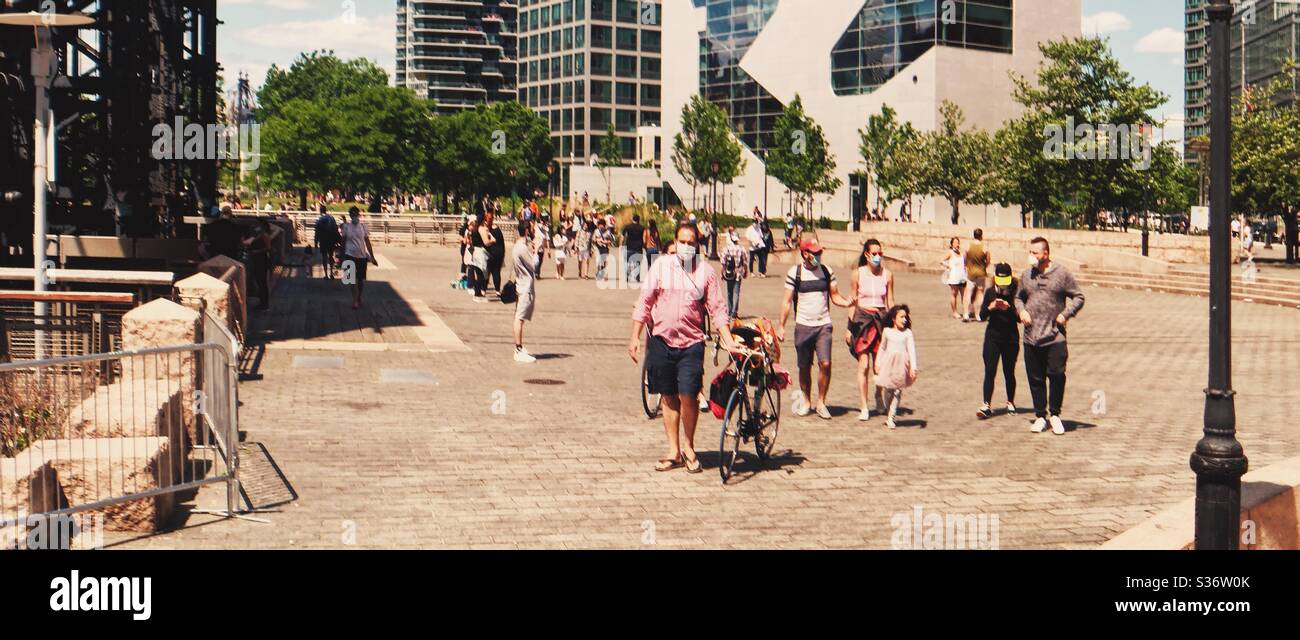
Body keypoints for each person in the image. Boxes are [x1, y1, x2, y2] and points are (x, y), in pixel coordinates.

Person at [629, 222, 749, 473]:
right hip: (661, 341)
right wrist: (635, 336)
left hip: (691, 343)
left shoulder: (706, 272)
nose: (685, 247)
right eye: (681, 242)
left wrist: (727, 339)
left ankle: (689, 446)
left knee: (689, 394)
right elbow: (645, 301)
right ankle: (673, 450)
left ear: (698, 245)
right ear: (674, 242)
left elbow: (717, 311)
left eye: (690, 243)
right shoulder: (661, 266)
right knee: (668, 395)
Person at [778, 237, 854, 420]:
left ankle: (821, 402)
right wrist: (781, 326)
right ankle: (806, 401)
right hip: (803, 325)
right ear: (805, 254)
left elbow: (835, 296)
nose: (819, 255)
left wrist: (847, 302)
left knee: (825, 363)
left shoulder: (827, 271)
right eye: (815, 252)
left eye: (820, 252)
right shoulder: (795, 273)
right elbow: (787, 301)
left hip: (823, 325)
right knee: (804, 367)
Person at [1016, 237, 1085, 435]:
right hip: (1031, 337)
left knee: (1056, 375)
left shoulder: (1061, 274)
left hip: (1055, 337)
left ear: (1046, 254)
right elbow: (1018, 297)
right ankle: (1040, 416)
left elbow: (1079, 296)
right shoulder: (1026, 275)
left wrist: (1065, 314)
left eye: (1035, 253)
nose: (1032, 257)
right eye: (1030, 252)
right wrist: (1021, 311)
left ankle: (1055, 415)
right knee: (1035, 378)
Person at [847, 239, 894, 421]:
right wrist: (849, 329)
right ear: (866, 254)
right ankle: (864, 406)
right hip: (862, 321)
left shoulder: (887, 275)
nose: (877, 257)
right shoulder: (857, 274)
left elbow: (890, 301)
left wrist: (894, 324)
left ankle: (878, 395)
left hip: (880, 320)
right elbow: (853, 301)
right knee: (864, 365)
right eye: (874, 253)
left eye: (879, 253)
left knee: (879, 365)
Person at [977, 263, 1020, 420]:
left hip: (1010, 338)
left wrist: (1009, 308)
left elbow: (1020, 318)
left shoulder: (1016, 293)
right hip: (992, 337)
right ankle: (986, 404)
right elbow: (981, 316)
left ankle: (1010, 401)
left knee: (1009, 371)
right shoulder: (989, 292)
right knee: (990, 370)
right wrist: (991, 307)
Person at [874, 305, 918, 430]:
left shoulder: (908, 333)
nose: (904, 320)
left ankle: (891, 417)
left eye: (906, 317)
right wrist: (878, 363)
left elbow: (911, 350)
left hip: (902, 365)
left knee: (897, 391)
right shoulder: (887, 331)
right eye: (901, 317)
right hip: (888, 364)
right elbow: (882, 348)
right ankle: (888, 409)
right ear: (894, 318)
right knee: (888, 390)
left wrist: (913, 367)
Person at [341, 207, 380, 310]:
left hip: (362, 255)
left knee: (361, 279)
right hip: (349, 254)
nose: (354, 216)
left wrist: (372, 256)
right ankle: (354, 300)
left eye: (355, 214)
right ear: (350, 215)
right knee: (351, 278)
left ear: (358, 214)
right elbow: (343, 242)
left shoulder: (363, 227)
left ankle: (359, 297)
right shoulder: (346, 227)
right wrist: (341, 256)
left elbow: (367, 242)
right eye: (352, 214)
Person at [513, 218, 540, 363]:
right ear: (527, 230)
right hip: (524, 287)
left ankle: (519, 348)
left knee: (520, 317)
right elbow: (534, 264)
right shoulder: (522, 248)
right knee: (520, 318)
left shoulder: (519, 246)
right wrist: (536, 250)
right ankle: (518, 348)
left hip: (521, 285)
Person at [243, 220, 274, 311]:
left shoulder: (264, 235)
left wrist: (256, 251)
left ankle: (264, 304)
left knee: (262, 282)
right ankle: (262, 302)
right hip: (257, 259)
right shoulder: (258, 235)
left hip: (262, 259)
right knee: (259, 281)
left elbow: (268, 248)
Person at [720, 227, 749, 318]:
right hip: (738, 272)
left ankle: (730, 310)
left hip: (729, 273)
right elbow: (745, 262)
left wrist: (722, 273)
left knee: (729, 292)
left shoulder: (726, 249)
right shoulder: (741, 249)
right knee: (736, 292)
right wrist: (745, 271)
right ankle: (734, 312)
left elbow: (723, 263)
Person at [964, 228, 991, 322]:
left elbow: (965, 258)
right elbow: (988, 260)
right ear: (981, 236)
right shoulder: (984, 247)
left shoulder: (968, 246)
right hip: (981, 272)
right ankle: (978, 314)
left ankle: (966, 314)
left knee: (968, 292)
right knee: (980, 293)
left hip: (971, 272)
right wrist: (984, 266)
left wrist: (966, 266)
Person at [940, 237, 968, 320]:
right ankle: (954, 312)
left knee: (964, 295)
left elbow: (964, 264)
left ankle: (965, 312)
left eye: (958, 242)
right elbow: (941, 260)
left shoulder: (961, 253)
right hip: (954, 277)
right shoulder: (950, 253)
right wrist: (948, 266)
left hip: (962, 277)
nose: (957, 244)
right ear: (951, 244)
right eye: (955, 243)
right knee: (954, 294)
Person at [314, 206, 340, 279]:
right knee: (331, 256)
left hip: (323, 240)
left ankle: (325, 274)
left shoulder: (319, 219)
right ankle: (331, 273)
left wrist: (315, 243)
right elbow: (336, 229)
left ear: (320, 211)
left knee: (324, 257)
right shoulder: (331, 218)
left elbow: (317, 232)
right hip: (331, 240)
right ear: (326, 210)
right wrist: (337, 240)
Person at [484, 210, 506, 293]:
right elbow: (502, 243)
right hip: (499, 253)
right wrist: (503, 253)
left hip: (491, 253)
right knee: (496, 272)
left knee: (487, 271)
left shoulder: (485, 229)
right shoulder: (497, 229)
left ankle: (484, 289)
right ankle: (497, 290)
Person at [622, 214, 646, 284]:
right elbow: (644, 239)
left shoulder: (627, 227)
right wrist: (644, 246)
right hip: (638, 247)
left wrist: (621, 245)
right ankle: (637, 277)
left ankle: (627, 276)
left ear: (632, 219)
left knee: (626, 262)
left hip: (629, 247)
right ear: (639, 220)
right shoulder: (642, 228)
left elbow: (623, 236)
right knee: (638, 263)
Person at [593, 218, 613, 282]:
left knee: (604, 262)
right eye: (599, 225)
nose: (601, 226)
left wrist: (606, 242)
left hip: (605, 248)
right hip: (598, 247)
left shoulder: (608, 232)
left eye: (602, 225)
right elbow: (593, 239)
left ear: (604, 225)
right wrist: (598, 240)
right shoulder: (596, 231)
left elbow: (611, 240)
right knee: (599, 261)